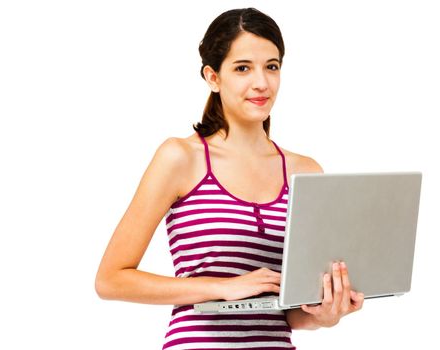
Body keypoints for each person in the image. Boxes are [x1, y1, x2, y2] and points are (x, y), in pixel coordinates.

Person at [95, 7, 364, 349]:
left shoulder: (305, 172)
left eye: (272, 66)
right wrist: (221, 287)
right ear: (213, 77)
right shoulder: (181, 157)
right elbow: (111, 279)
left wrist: (324, 314)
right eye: (242, 68)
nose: (261, 83)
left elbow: (291, 311)